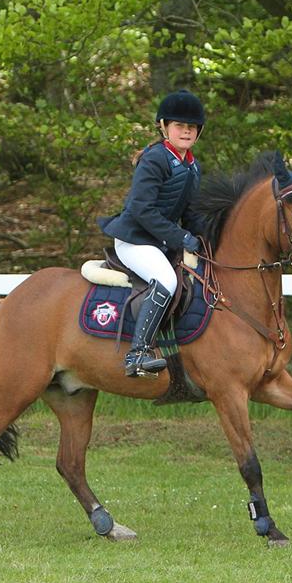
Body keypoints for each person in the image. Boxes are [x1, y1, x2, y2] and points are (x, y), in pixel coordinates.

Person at [99, 90, 208, 377]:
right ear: (164, 127)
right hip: (135, 239)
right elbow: (141, 210)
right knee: (166, 281)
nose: (186, 130)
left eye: (191, 127)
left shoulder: (193, 166)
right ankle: (137, 354)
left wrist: (206, 237)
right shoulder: (155, 158)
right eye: (179, 125)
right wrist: (181, 238)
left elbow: (191, 215)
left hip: (160, 242)